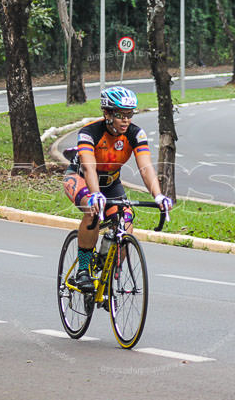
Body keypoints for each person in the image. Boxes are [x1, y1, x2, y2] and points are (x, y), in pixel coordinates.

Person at [63, 86, 173, 292]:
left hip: (112, 183)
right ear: (107, 113)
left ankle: (108, 266)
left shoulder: (135, 134)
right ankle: (83, 271)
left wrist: (158, 195)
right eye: (120, 115)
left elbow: (146, 167)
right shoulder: (89, 132)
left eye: (129, 115)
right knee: (92, 209)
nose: (126, 120)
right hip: (81, 178)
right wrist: (95, 194)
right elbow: (89, 166)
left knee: (127, 219)